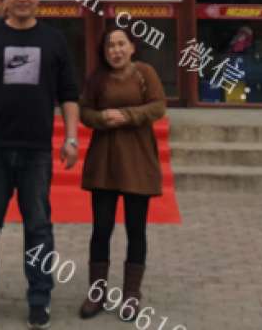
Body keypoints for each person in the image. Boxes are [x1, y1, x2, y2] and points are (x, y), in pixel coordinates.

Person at [0, 0, 80, 330]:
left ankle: (39, 299)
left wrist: (71, 139)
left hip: (37, 150)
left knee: (39, 227)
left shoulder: (54, 40)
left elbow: (69, 95)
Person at [78, 25, 166, 322]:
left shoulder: (145, 73)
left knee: (135, 229)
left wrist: (127, 116)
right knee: (101, 229)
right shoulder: (97, 78)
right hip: (104, 162)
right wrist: (101, 118)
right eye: (110, 46)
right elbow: (84, 111)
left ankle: (131, 294)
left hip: (137, 160)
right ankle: (97, 292)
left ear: (132, 47)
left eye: (120, 44)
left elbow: (158, 106)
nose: (115, 50)